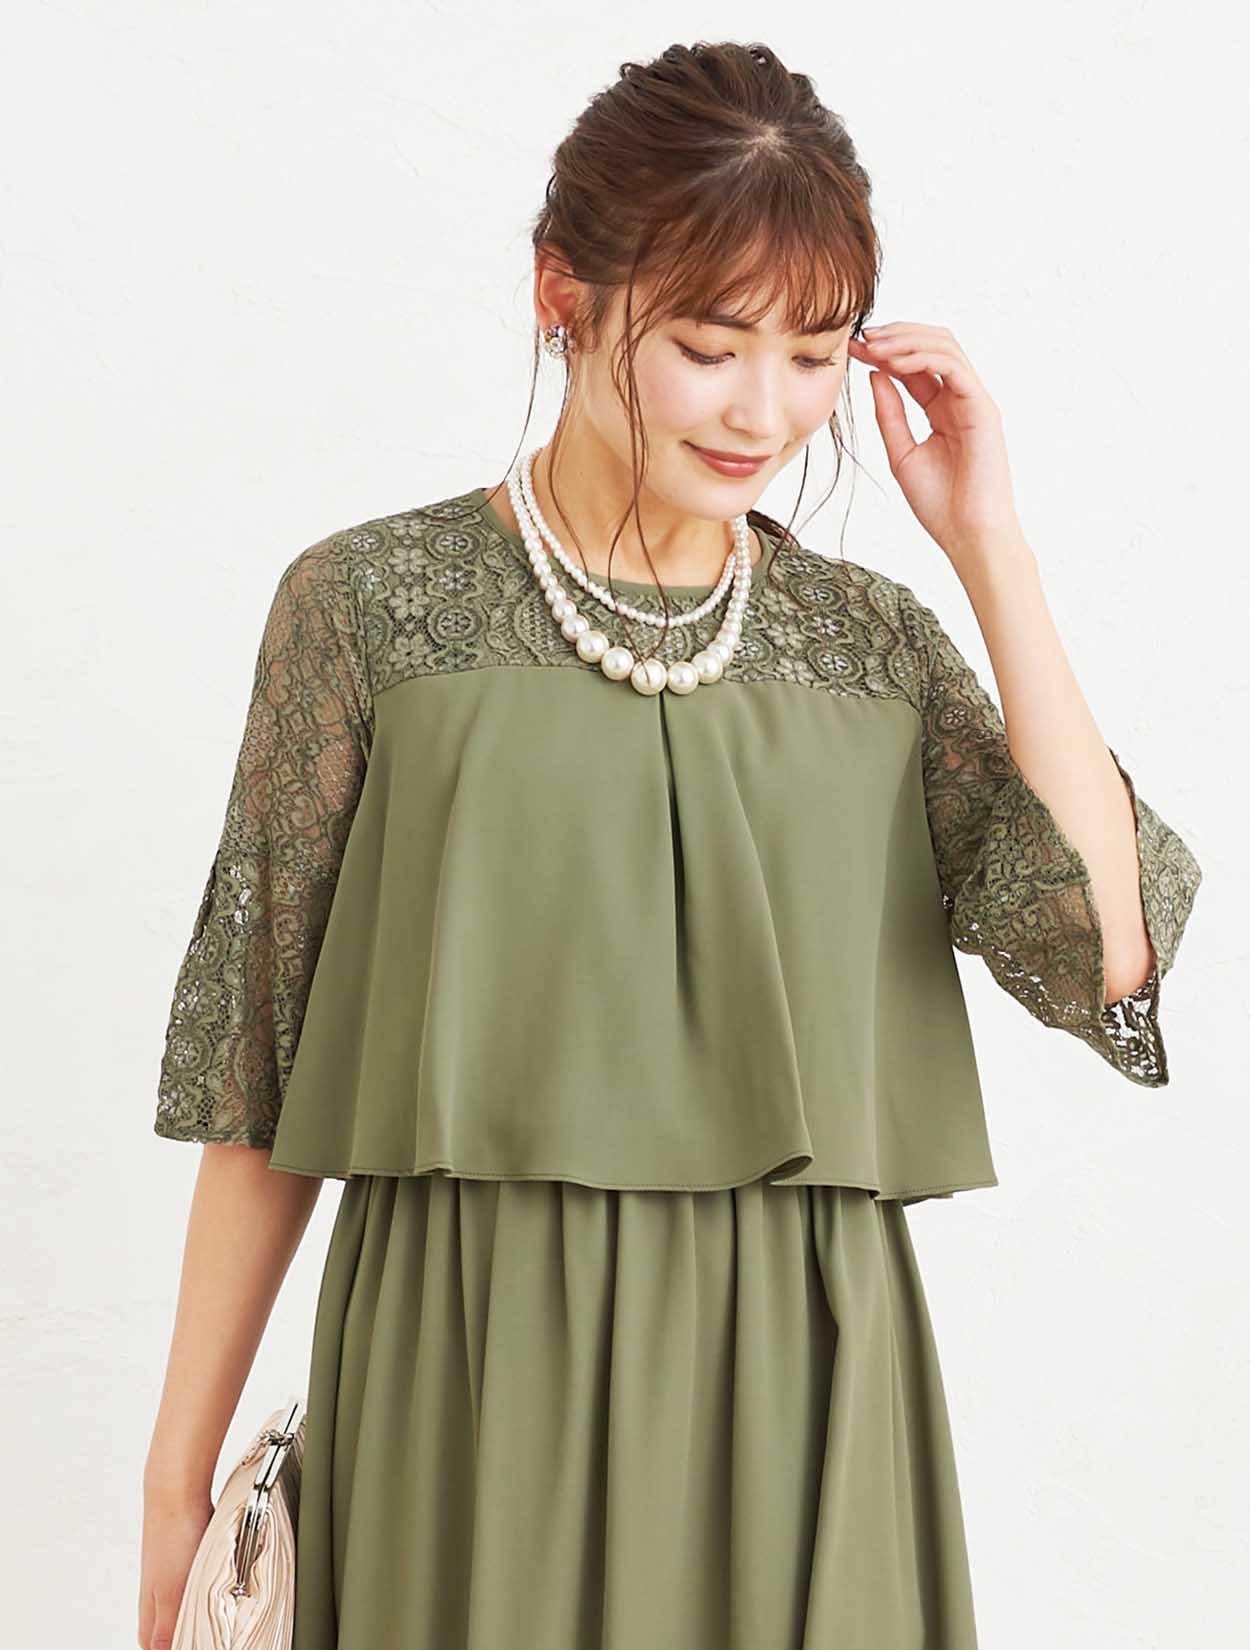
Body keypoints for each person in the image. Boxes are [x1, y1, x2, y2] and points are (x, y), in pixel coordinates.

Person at [139, 39, 1202, 1650]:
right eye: (710, 346)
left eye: (813, 354)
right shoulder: (369, 609)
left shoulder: (866, 645)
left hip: (801, 1377)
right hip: (463, 1362)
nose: (764, 410)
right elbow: (256, 1067)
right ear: (562, 293)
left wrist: (989, 546)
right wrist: (175, 1481)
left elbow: (1101, 949)